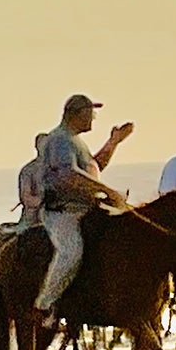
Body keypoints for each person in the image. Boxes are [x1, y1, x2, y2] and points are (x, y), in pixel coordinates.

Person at [35, 94, 134, 324]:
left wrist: (114, 142)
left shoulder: (75, 141)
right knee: (71, 252)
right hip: (63, 212)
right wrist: (108, 190)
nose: (93, 118)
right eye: (90, 113)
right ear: (75, 114)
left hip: (86, 208)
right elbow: (69, 175)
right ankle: (44, 305)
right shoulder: (60, 140)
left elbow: (93, 168)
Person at [13, 133, 49, 231]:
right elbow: (26, 197)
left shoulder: (60, 169)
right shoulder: (28, 170)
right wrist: (45, 202)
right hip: (34, 218)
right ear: (36, 147)